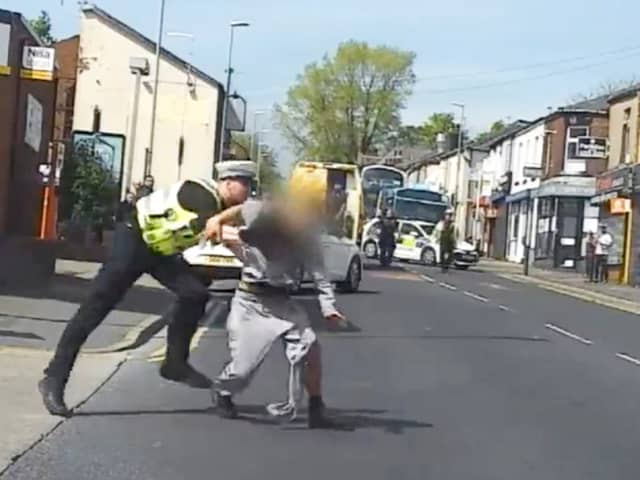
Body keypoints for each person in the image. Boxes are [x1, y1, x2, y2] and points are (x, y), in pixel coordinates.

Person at [38, 161, 256, 417]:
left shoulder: (218, 207)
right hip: (133, 239)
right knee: (96, 307)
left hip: (159, 253)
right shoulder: (201, 193)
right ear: (228, 182)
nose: (249, 191)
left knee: (194, 293)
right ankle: (54, 378)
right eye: (246, 185)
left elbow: (229, 242)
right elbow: (216, 228)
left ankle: (175, 363)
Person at [205, 193, 347, 429]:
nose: (264, 247)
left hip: (282, 303)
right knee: (242, 369)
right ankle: (223, 391)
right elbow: (241, 208)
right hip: (249, 303)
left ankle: (316, 408)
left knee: (310, 346)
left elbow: (320, 276)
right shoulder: (255, 218)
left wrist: (328, 308)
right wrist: (216, 220)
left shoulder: (305, 241)